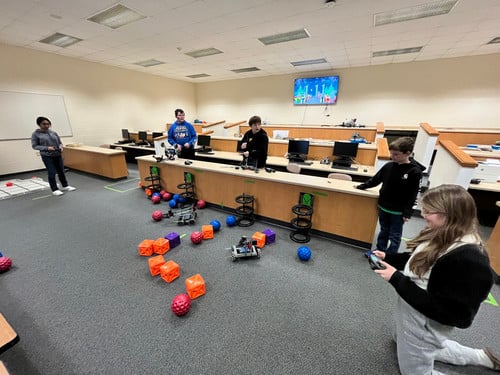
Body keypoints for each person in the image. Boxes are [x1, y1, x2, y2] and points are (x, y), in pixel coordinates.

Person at [372, 184, 498, 374]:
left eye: (429, 211)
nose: (423, 214)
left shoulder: (469, 261)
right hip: (412, 313)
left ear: (450, 215)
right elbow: (420, 260)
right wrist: (388, 258)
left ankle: (478, 358)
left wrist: (397, 279)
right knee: (401, 339)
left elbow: (455, 315)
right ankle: (482, 357)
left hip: (426, 324)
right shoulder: (443, 233)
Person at [356, 137, 424, 254]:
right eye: (391, 154)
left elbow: (413, 194)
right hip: (383, 206)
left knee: (395, 235)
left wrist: (408, 212)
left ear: (407, 153)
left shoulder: (414, 172)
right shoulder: (388, 166)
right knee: (384, 231)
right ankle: (380, 251)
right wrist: (362, 186)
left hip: (398, 211)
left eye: (396, 154)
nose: (392, 157)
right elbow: (376, 180)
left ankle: (391, 256)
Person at [31, 116, 76, 196]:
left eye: (48, 124)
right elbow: (35, 146)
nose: (46, 126)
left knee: (61, 171)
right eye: (44, 124)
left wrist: (61, 147)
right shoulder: (35, 134)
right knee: (51, 172)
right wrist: (47, 148)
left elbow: (59, 142)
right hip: (47, 156)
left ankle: (65, 186)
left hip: (57, 154)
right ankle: (54, 189)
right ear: (39, 124)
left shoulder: (53, 132)